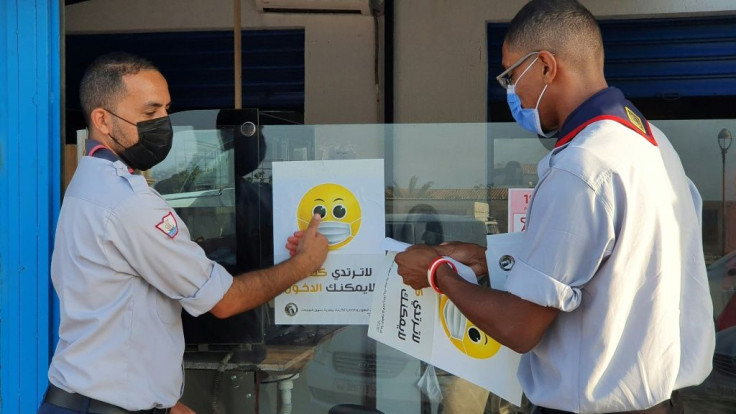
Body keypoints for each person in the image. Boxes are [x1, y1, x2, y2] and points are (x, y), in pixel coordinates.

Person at [395, 1, 715, 413]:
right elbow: (605, 270)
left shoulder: (584, 166)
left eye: (511, 75)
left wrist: (438, 274)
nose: (511, 92)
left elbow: (520, 327)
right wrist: (485, 260)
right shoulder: (651, 142)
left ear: (546, 67)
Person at [38, 52, 328, 414]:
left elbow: (120, 309)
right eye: (149, 112)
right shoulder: (129, 203)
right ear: (103, 120)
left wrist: (163, 401)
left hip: (89, 400)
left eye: (166, 110)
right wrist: (304, 263)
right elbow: (225, 301)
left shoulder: (89, 183)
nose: (164, 122)